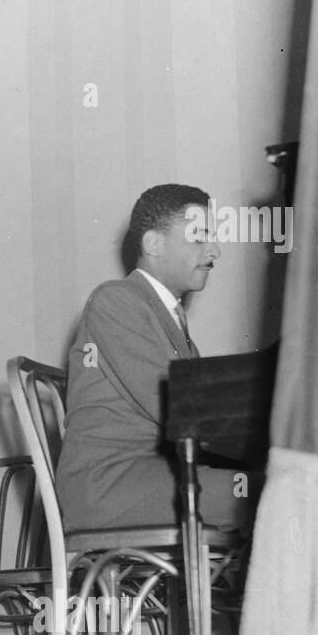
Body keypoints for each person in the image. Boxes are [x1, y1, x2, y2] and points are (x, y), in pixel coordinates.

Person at [56, 183, 252, 531]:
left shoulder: (168, 316)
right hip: (111, 485)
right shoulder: (116, 300)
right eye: (199, 236)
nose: (215, 250)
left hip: (153, 475)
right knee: (275, 493)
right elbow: (179, 410)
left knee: (275, 486)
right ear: (153, 244)